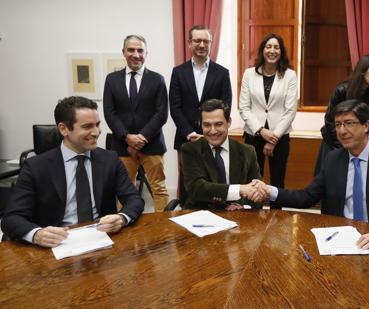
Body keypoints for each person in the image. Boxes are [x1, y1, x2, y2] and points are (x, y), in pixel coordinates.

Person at [256, 99, 369, 252]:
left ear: (366, 126)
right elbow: (306, 197)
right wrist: (269, 191)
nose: (342, 131)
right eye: (338, 125)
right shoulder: (333, 159)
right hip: (339, 242)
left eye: (349, 123)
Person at [1, 96, 144, 248]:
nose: (96, 132)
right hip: (56, 246)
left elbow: (134, 200)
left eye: (98, 124)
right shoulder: (35, 167)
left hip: (101, 241)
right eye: (87, 126)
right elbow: (11, 218)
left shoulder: (110, 159)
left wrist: (122, 218)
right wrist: (37, 234)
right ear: (64, 129)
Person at [103, 34, 169, 211]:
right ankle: (126, 226)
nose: (136, 54)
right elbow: (109, 113)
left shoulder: (157, 79)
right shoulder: (112, 80)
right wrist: (127, 137)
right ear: (123, 52)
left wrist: (141, 137)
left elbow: (162, 113)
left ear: (146, 53)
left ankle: (162, 229)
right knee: (125, 191)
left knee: (159, 189)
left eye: (140, 50)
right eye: (131, 50)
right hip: (122, 146)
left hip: (152, 144)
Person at [169, 24, 233, 205]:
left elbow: (225, 105)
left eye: (206, 41)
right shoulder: (178, 72)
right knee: (188, 183)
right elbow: (175, 107)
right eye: (197, 40)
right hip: (185, 138)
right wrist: (190, 133)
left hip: (214, 137)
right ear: (189, 43)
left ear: (211, 43)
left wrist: (208, 132)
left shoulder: (222, 73)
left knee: (214, 182)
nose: (202, 44)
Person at [239, 33, 297, 209]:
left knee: (277, 181)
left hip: (280, 136)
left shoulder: (290, 75)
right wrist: (261, 131)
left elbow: (290, 110)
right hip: (253, 135)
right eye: (268, 47)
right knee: (253, 180)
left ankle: (276, 219)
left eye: (276, 47)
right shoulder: (249, 74)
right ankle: (252, 217)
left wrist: (274, 137)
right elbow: (244, 107)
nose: (272, 51)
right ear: (262, 50)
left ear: (281, 51)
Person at [181, 99, 264, 210]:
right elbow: (197, 188)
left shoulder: (247, 151)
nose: (213, 131)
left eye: (218, 124)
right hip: (200, 216)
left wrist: (243, 206)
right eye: (207, 125)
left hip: (238, 218)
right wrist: (239, 189)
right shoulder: (190, 150)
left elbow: (257, 191)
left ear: (228, 122)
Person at [315, 54, 369, 175]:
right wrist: (344, 148)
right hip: (334, 145)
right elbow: (330, 122)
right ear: (363, 70)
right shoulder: (342, 90)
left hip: (356, 148)